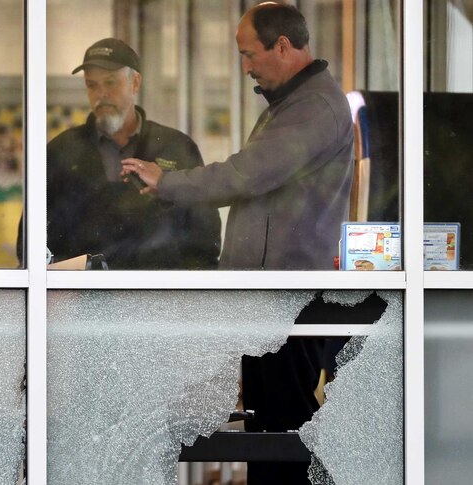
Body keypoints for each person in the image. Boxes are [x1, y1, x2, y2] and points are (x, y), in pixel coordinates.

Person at [121, 3, 354, 483]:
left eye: (249, 55)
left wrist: (168, 184)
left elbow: (248, 174)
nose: (245, 67)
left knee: (289, 444)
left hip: (288, 306)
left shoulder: (316, 108)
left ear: (283, 46)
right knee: (269, 436)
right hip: (267, 302)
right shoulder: (293, 105)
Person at [44, 37, 220, 269]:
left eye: (110, 82)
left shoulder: (176, 147)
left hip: (158, 296)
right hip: (84, 297)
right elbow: (34, 238)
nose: (101, 94)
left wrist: (189, 297)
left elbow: (204, 235)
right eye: (92, 85)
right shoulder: (62, 151)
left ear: (135, 83)